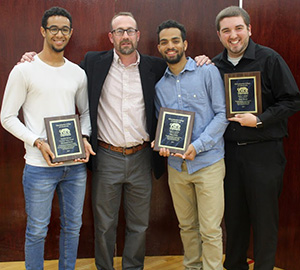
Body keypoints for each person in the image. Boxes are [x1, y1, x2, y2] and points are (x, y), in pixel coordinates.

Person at [18, 12, 210, 270]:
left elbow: (179, 65)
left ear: (138, 35)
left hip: (142, 156)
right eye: (119, 31)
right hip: (106, 156)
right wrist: (33, 58)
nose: (125, 36)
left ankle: (133, 267)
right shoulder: (93, 62)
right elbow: (60, 69)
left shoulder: (154, 66)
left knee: (139, 224)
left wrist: (201, 59)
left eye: (130, 30)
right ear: (111, 37)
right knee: (105, 224)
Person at [0, 6, 95, 270]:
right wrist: (37, 142)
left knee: (73, 228)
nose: (59, 34)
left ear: (71, 33)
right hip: (39, 167)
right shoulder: (24, 71)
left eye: (64, 29)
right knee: (37, 231)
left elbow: (85, 113)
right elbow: (7, 117)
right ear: (43, 31)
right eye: (53, 28)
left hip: (75, 166)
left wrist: (84, 136)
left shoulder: (77, 73)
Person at [212, 6, 300, 270]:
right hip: (229, 155)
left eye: (239, 28)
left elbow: (293, 100)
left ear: (249, 29)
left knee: (265, 221)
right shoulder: (214, 66)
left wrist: (259, 119)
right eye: (226, 30)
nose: (233, 35)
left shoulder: (270, 59)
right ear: (219, 35)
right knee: (234, 220)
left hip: (265, 153)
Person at [154, 20, 228, 270]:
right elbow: (163, 127)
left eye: (175, 40)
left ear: (185, 44)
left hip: (208, 163)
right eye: (164, 42)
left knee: (210, 230)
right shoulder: (159, 86)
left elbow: (222, 114)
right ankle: (192, 267)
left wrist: (198, 145)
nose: (170, 46)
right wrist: (161, 144)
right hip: (177, 167)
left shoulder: (207, 71)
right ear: (159, 47)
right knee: (186, 226)